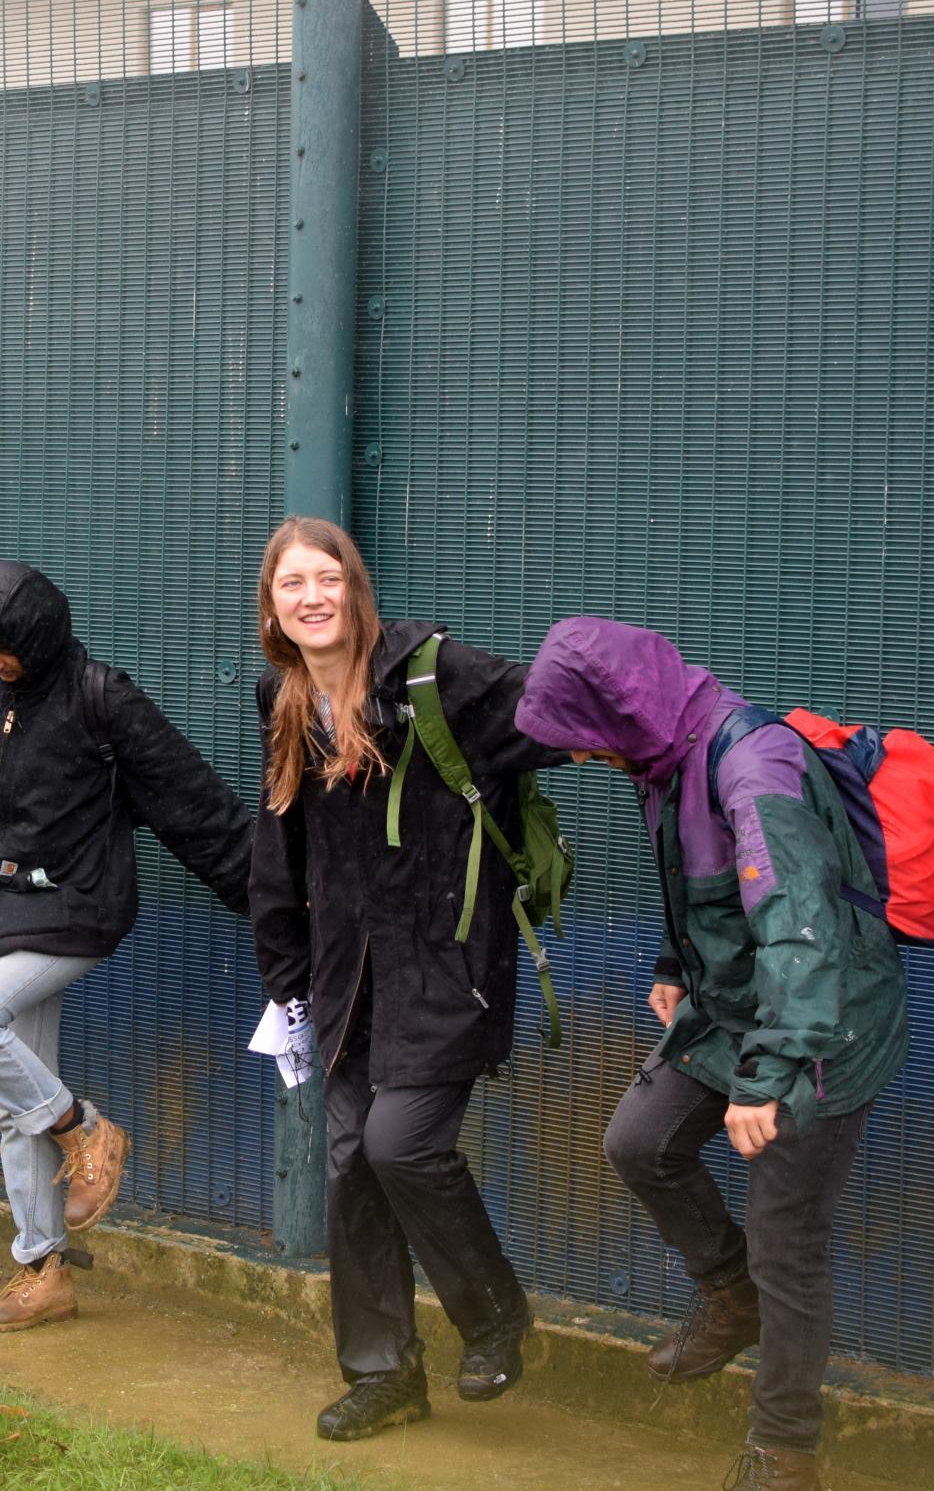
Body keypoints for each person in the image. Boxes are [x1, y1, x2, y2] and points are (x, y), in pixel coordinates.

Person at [516, 617, 910, 1491]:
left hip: (824, 1021)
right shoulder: (662, 751)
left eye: (582, 743)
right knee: (640, 1141)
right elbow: (705, 876)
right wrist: (674, 964)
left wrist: (767, 1079)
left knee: (787, 1237)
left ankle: (784, 1452)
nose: (580, 761)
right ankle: (731, 1296)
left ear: (615, 716)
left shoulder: (752, 763)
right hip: (737, 1003)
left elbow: (797, 929)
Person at [246, 516, 562, 1442]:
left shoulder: (433, 673)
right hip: (347, 983)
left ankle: (495, 1314)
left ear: (355, 584)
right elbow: (281, 849)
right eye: (290, 584)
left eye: (326, 577)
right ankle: (383, 1373)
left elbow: (554, 713)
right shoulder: (288, 696)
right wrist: (287, 980)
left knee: (400, 1144)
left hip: (446, 965)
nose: (311, 596)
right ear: (273, 606)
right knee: (353, 1167)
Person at [0, 560, 251, 1333]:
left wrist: (268, 893)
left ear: (40, 636)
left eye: (4, 647)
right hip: (5, 907)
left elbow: (193, 801)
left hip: (78, 908)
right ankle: (43, 1268)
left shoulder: (102, 697)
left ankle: (85, 1126)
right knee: (18, 1103)